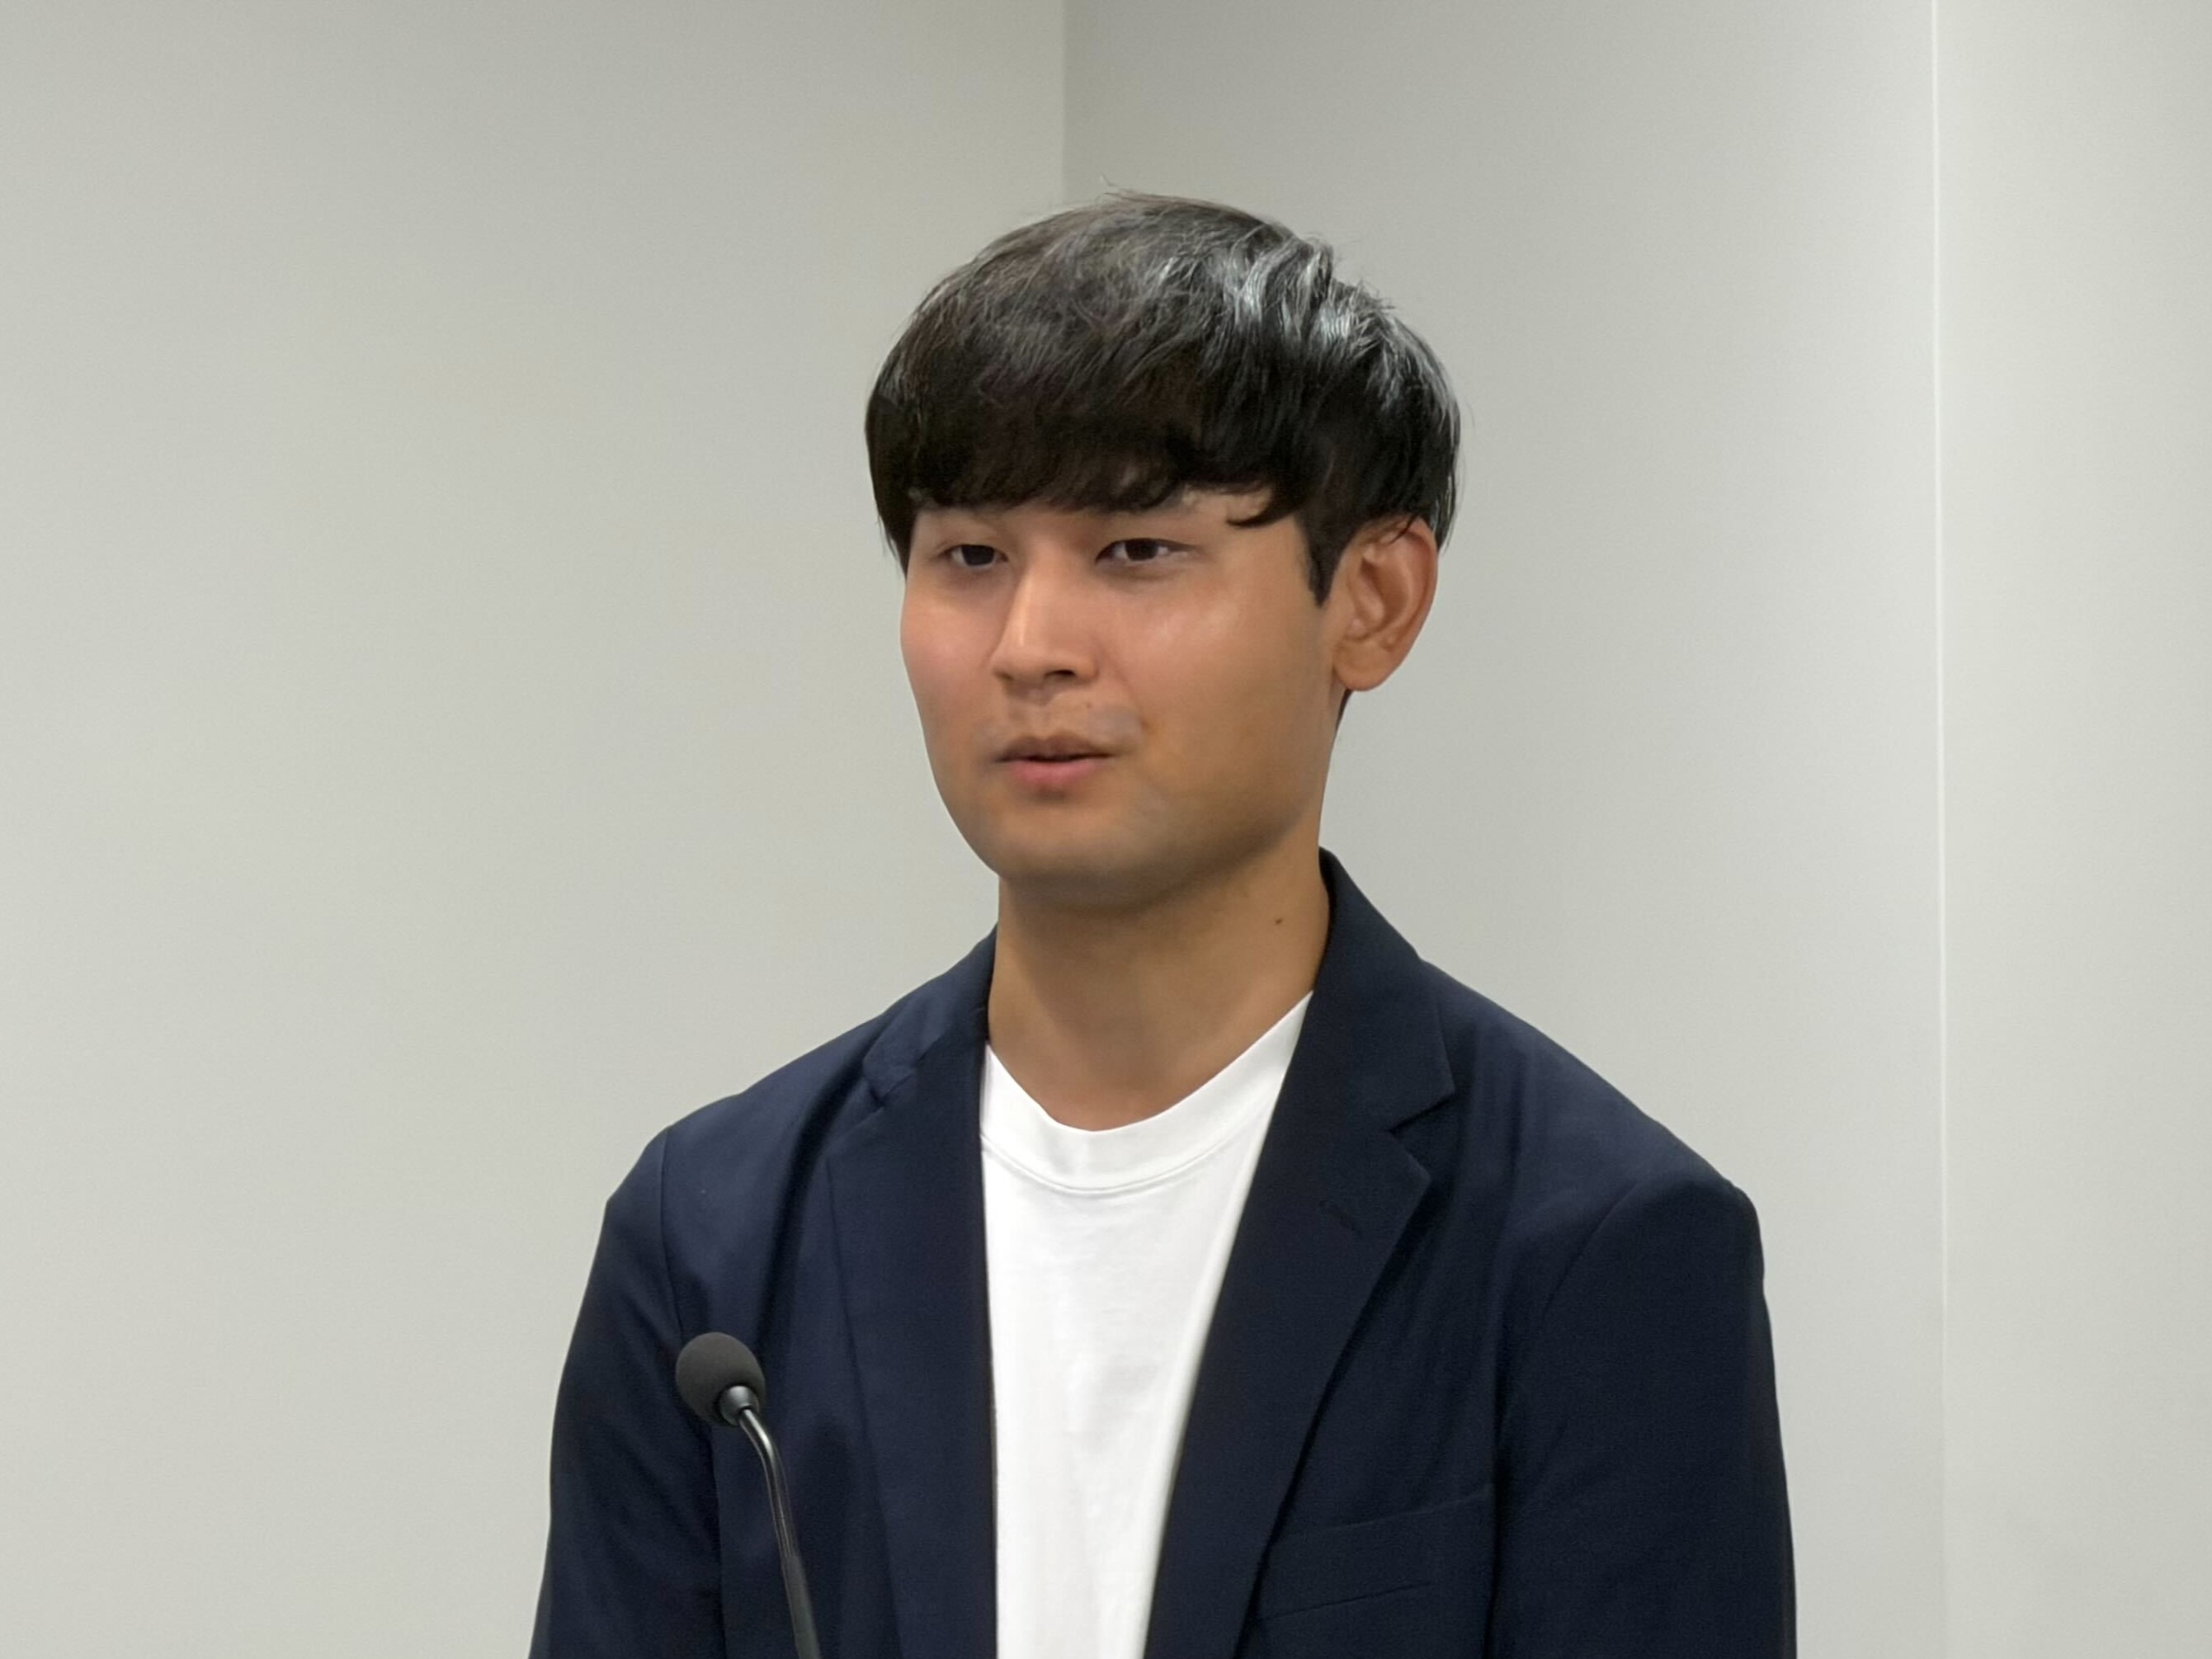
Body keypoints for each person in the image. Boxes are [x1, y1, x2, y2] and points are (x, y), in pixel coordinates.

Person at [530, 193, 1794, 1659]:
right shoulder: (713, 1241)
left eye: (1135, 549)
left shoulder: (1594, 1244)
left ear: (1373, 600)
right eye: (970, 556)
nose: (1031, 648)